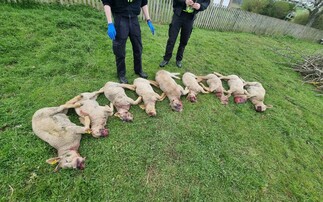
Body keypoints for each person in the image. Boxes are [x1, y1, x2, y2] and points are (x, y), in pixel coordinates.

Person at [102, 0, 155, 84]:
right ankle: (121, 74)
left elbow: (144, 3)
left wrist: (148, 20)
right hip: (121, 19)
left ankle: (138, 70)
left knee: (138, 47)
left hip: (134, 19)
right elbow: (107, 3)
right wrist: (110, 23)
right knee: (119, 49)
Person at [159, 0, 210, 68]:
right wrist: (185, 1)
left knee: (184, 40)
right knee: (172, 39)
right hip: (178, 16)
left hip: (190, 18)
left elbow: (206, 2)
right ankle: (166, 58)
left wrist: (200, 6)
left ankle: (179, 59)